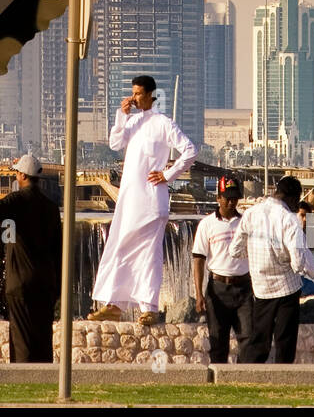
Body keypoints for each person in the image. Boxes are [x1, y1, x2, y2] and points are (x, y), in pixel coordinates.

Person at [89, 75, 196, 326]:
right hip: (129, 200)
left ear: (150, 95)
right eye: (133, 93)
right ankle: (114, 304)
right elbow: (115, 142)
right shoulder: (133, 121)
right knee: (119, 246)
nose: (134, 98)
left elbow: (190, 150)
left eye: (138, 94)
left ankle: (149, 308)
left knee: (149, 254)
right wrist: (121, 115)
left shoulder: (163, 123)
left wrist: (167, 174)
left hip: (151, 199)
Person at [0, 153, 62, 362]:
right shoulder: (51, 208)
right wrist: (58, 288)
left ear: (23, 175)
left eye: (17, 172)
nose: (16, 176)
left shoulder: (17, 200)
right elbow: (58, 250)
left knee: (22, 338)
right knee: (43, 337)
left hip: (21, 283)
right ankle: (45, 376)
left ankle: (24, 377)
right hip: (46, 283)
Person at [228, 175, 314, 364]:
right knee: (285, 341)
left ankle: (246, 376)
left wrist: (255, 253)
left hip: (261, 289)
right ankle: (283, 381)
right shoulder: (289, 220)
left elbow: (235, 251)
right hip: (287, 290)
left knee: (259, 341)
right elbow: (298, 262)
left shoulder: (251, 213)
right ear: (293, 198)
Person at [191, 172, 250, 363]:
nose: (232, 203)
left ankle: (243, 381)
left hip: (244, 289)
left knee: (248, 338)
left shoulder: (245, 223)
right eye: (227, 198)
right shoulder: (207, 224)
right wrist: (199, 294)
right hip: (217, 288)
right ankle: (218, 382)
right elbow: (198, 259)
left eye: (235, 199)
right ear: (218, 198)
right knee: (218, 341)